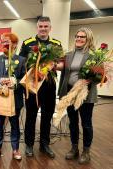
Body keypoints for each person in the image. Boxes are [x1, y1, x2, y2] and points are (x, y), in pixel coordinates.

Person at [19, 16, 62, 158]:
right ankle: (29, 145)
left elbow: (60, 63)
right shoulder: (27, 43)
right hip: (33, 86)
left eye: (46, 26)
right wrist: (33, 68)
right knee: (30, 116)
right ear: (37, 27)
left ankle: (45, 144)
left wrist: (52, 66)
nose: (43, 29)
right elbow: (21, 63)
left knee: (47, 116)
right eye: (41, 26)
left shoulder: (56, 44)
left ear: (50, 28)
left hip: (49, 86)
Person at [57, 27, 97, 164]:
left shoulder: (94, 56)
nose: (79, 39)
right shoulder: (68, 55)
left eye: (82, 37)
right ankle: (74, 148)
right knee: (73, 122)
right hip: (70, 92)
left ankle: (86, 151)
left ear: (88, 39)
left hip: (85, 94)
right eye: (77, 36)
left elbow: (100, 76)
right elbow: (64, 74)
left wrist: (91, 79)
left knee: (86, 124)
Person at [0, 32, 25, 160]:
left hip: (15, 99)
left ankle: (15, 149)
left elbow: (23, 79)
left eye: (7, 41)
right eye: (2, 41)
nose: (4, 43)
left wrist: (14, 81)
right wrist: (1, 79)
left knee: (15, 125)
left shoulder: (21, 60)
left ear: (14, 44)